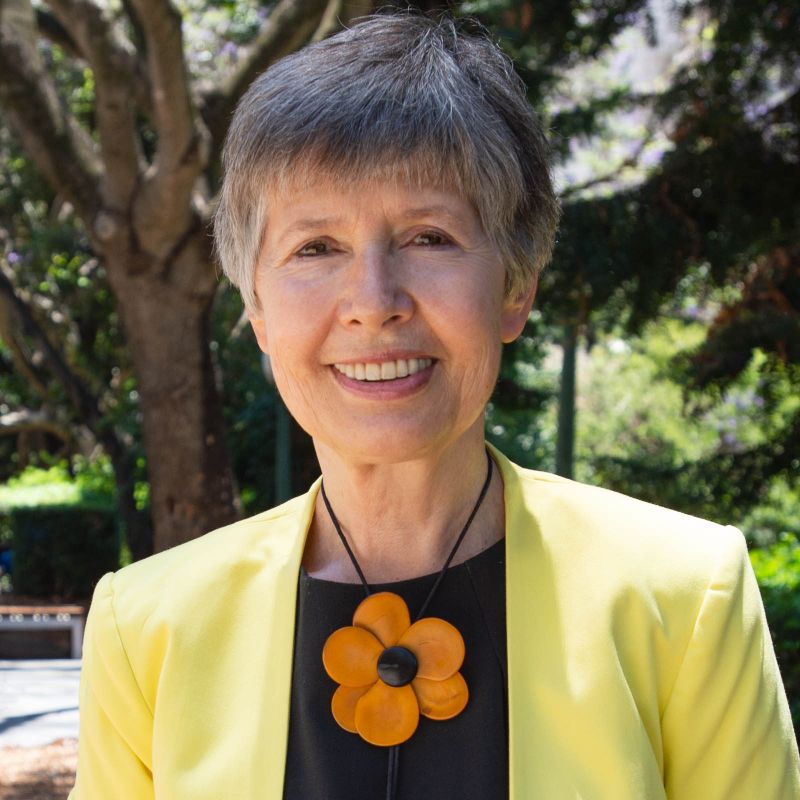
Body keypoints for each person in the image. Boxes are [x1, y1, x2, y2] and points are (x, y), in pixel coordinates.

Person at [69, 12, 799, 800]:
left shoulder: (686, 597)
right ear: (258, 307)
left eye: (429, 237)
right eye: (316, 247)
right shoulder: (145, 630)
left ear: (516, 287)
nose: (373, 303)